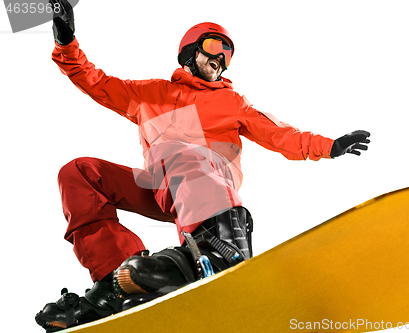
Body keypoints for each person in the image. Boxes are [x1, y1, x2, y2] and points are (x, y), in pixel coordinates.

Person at [35, 0, 371, 331]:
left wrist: (329, 146)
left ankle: (222, 249)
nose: (221, 59)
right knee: (79, 172)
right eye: (214, 47)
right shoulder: (150, 93)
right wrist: (66, 40)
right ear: (189, 52)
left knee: (182, 149)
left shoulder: (231, 102)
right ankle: (116, 283)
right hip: (162, 188)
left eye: (228, 55)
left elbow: (280, 135)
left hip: (209, 188)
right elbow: (94, 80)